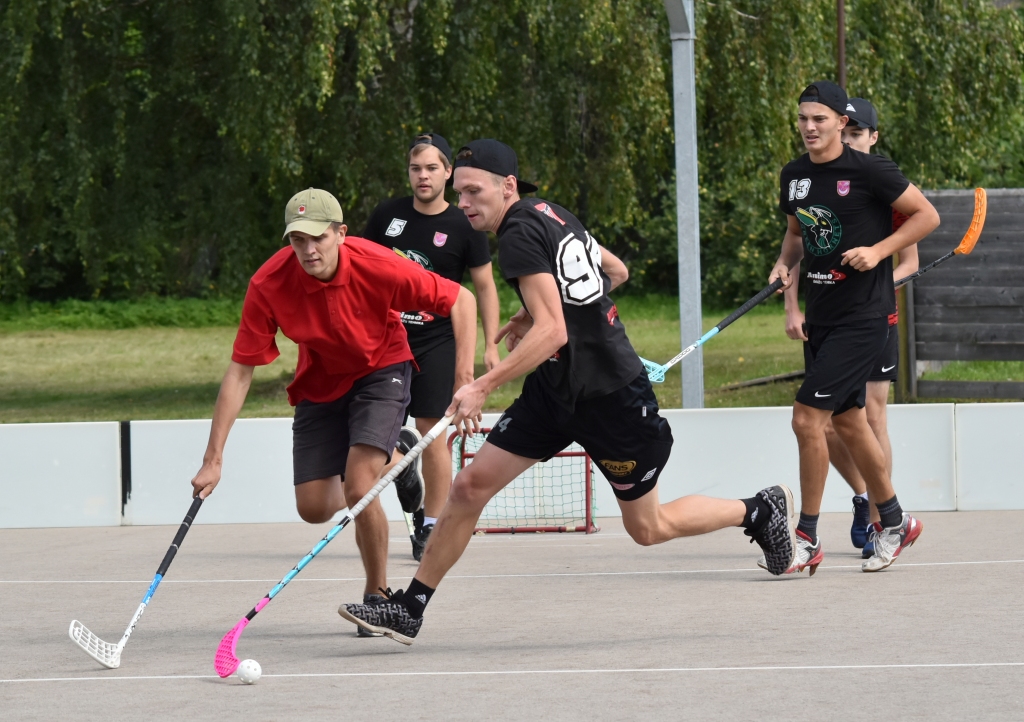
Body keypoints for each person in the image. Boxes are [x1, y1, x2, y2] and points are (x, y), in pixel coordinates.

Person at [337, 139, 799, 645]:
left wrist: (483, 384)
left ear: (507, 186)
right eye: (460, 191)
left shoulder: (514, 234)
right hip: (555, 392)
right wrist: (532, 311)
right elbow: (614, 270)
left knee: (648, 528)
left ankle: (758, 509)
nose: (464, 201)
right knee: (470, 487)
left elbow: (554, 331)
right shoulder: (551, 212)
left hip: (610, 397)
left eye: (473, 191)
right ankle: (411, 608)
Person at [190, 187, 477, 607]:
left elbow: (462, 300)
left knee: (359, 486)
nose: (308, 250)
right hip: (321, 380)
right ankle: (397, 457)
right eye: (297, 240)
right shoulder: (269, 283)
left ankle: (378, 595)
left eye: (318, 238)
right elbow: (240, 372)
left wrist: (464, 378)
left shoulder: (377, 264)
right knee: (314, 507)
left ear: (341, 233)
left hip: (382, 369)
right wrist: (213, 460)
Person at [768, 81, 939, 575]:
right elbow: (797, 233)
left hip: (864, 316)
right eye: (802, 119)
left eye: (818, 119)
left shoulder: (871, 170)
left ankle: (806, 537)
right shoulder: (795, 175)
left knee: (806, 419)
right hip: (821, 316)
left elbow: (927, 216)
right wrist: (783, 264)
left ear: (842, 123)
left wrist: (880, 251)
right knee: (846, 421)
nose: (808, 128)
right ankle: (895, 520)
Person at [362, 133, 501, 561]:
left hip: (437, 340)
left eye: (431, 168)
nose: (422, 176)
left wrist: (490, 346)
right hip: (386, 339)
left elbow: (484, 287)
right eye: (415, 168)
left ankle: (428, 526)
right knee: (373, 437)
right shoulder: (387, 215)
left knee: (433, 434)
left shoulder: (465, 223)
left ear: (447, 173)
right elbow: (359, 270)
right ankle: (403, 467)